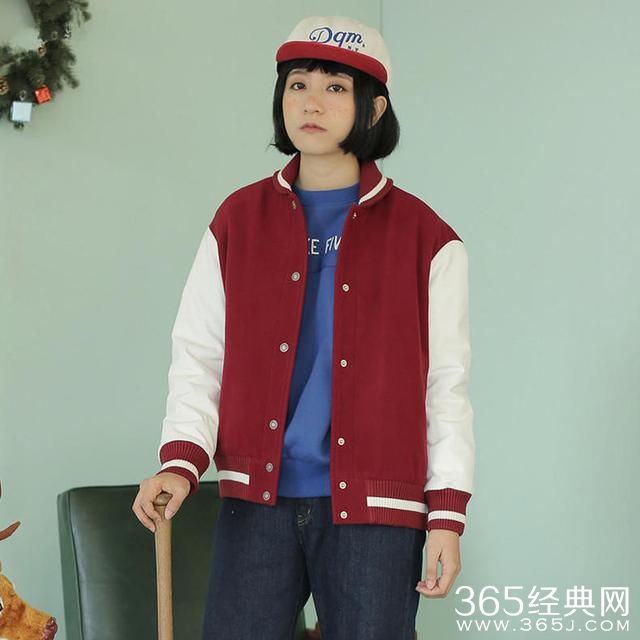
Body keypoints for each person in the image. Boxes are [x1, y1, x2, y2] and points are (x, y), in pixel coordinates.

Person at [132, 15, 475, 640]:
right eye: (298, 85)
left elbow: (445, 386)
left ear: (374, 108)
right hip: (255, 504)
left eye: (335, 87)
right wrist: (181, 460)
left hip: (376, 515)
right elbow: (199, 355)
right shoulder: (237, 221)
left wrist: (447, 513)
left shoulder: (428, 238)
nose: (311, 102)